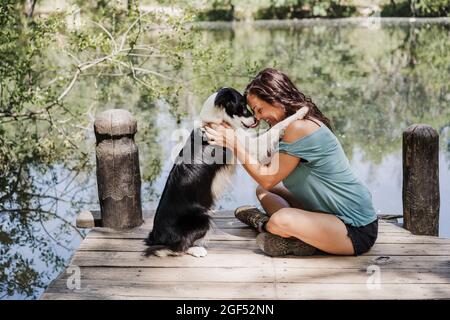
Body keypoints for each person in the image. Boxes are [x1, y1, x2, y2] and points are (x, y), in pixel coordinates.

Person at [203, 68, 378, 257]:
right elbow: (261, 166)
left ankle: (264, 223)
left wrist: (234, 144)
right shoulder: (288, 127)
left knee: (281, 220)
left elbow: (268, 178)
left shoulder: (299, 128)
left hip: (355, 227)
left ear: (276, 98)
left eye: (260, 110)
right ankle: (298, 236)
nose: (258, 117)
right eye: (255, 112)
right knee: (263, 192)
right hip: (325, 214)